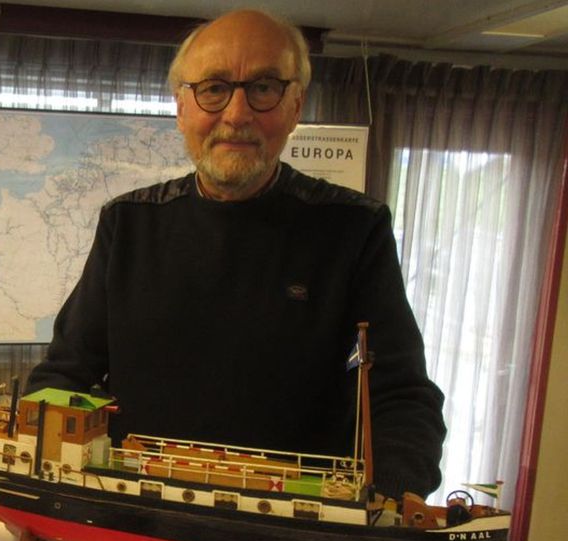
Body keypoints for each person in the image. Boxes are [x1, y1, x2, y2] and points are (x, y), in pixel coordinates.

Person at [26, 9, 446, 500]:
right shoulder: (128, 224)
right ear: (182, 107)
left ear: (295, 105)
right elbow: (65, 372)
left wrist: (389, 498)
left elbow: (399, 395)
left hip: (293, 529)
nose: (237, 113)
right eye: (214, 88)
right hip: (140, 514)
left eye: (264, 87)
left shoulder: (355, 229)